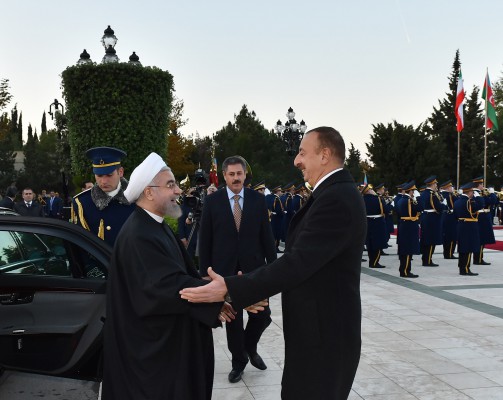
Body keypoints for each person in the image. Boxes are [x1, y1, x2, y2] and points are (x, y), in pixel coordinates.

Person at [181, 126, 367, 399]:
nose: (297, 160)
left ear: (325, 155)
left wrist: (231, 287)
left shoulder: (336, 198)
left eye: (303, 152)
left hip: (324, 337)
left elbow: (296, 263)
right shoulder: (332, 194)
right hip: (318, 333)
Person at [102, 153, 234, 400]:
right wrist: (218, 295)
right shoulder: (140, 234)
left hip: (164, 347)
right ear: (149, 192)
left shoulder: (154, 225)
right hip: (151, 357)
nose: (178, 191)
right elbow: (164, 288)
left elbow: (176, 276)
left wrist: (213, 293)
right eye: (171, 185)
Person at [198, 155, 277, 383]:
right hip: (225, 273)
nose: (236, 178)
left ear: (244, 174)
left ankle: (249, 348)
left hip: (254, 270)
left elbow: (266, 235)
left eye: (239, 174)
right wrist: (205, 272)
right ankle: (238, 362)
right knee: (233, 319)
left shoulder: (257, 199)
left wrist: (274, 267)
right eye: (231, 174)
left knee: (262, 315)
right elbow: (206, 239)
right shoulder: (213, 202)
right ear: (224, 176)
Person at [71, 147, 136, 246]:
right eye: (99, 176)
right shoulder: (82, 203)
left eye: (109, 175)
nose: (104, 181)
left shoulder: (137, 198)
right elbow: (81, 246)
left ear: (121, 172)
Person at [454, 182, 482, 276]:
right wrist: (478, 197)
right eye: (472, 192)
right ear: (469, 192)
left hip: (461, 225)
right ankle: (465, 269)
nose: (473, 194)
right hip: (469, 226)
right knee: (468, 248)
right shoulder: (468, 202)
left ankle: (462, 268)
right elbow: (480, 205)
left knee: (463, 248)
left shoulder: (457, 201)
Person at [396, 181, 422, 278]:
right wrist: (418, 197)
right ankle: (406, 271)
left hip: (403, 225)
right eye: (414, 191)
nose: (414, 192)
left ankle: (403, 269)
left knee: (404, 249)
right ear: (411, 191)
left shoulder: (400, 200)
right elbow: (420, 207)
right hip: (410, 226)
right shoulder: (409, 200)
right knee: (408, 250)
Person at [419, 175, 446, 267]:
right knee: (431, 240)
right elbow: (438, 208)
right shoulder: (432, 194)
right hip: (432, 219)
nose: (436, 185)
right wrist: (443, 205)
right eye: (435, 184)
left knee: (427, 239)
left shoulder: (423, 193)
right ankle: (428, 260)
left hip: (426, 217)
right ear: (432, 184)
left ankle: (426, 259)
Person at [361, 183, 387, 268]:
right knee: (377, 243)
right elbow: (385, 210)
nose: (373, 191)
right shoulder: (378, 198)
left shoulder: (362, 199)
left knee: (370, 243)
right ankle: (375, 262)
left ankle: (371, 261)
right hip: (377, 223)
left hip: (367, 222)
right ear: (368, 191)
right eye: (371, 189)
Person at [472, 176, 497, 265]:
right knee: (481, 239)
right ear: (479, 185)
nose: (483, 186)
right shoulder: (478, 194)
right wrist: (492, 193)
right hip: (482, 218)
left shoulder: (475, 193)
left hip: (480, 217)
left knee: (480, 240)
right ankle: (478, 259)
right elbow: (493, 201)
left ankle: (478, 258)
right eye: (482, 184)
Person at [439, 180, 459, 259]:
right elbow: (456, 204)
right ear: (447, 188)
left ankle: (446, 253)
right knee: (452, 236)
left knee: (446, 236)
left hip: (444, 216)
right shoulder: (450, 195)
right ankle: (450, 253)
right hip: (451, 216)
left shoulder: (440, 194)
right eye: (451, 187)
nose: (452, 188)